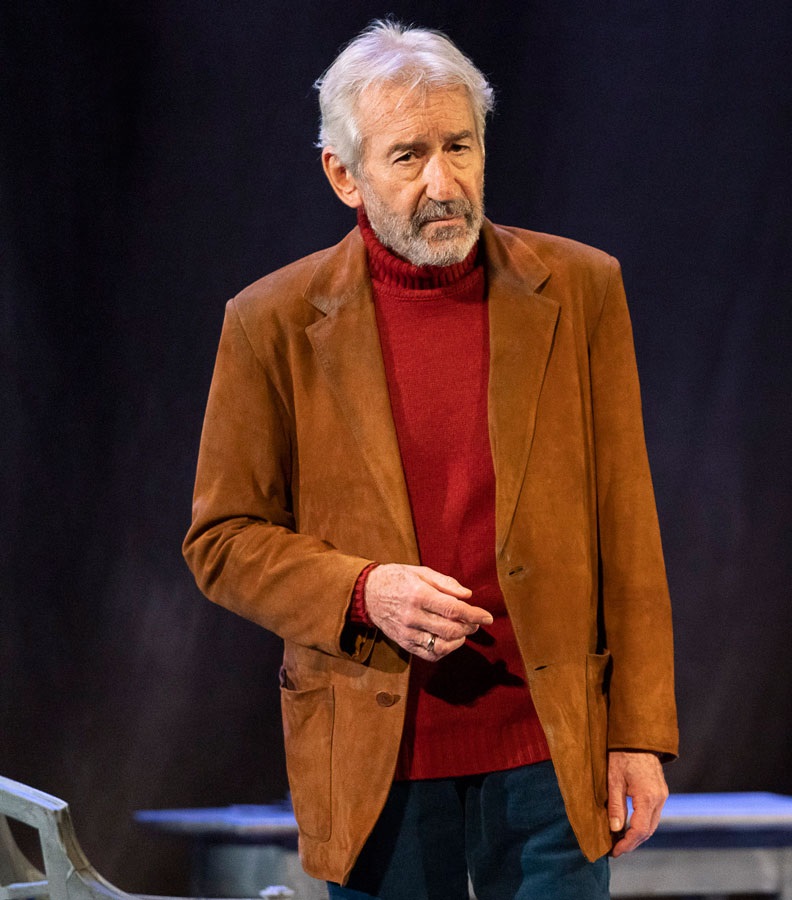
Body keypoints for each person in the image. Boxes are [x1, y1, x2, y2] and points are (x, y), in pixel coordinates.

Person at [181, 20, 676, 900]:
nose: (443, 184)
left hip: (551, 751)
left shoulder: (581, 288)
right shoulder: (271, 322)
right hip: (379, 760)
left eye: (459, 147)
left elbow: (626, 523)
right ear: (344, 175)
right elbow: (221, 540)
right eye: (408, 156)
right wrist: (363, 591)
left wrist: (638, 733)